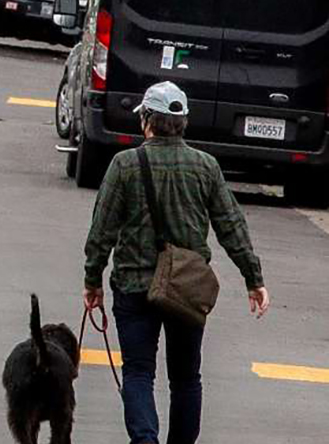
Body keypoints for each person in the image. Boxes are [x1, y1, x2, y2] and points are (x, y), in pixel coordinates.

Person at [82, 81, 270, 444]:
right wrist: (253, 278)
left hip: (134, 286)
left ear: (146, 122)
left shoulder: (125, 165)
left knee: (138, 372)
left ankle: (145, 440)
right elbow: (231, 225)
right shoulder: (205, 167)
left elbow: (101, 230)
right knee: (186, 378)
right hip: (186, 287)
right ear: (183, 122)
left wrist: (92, 281)